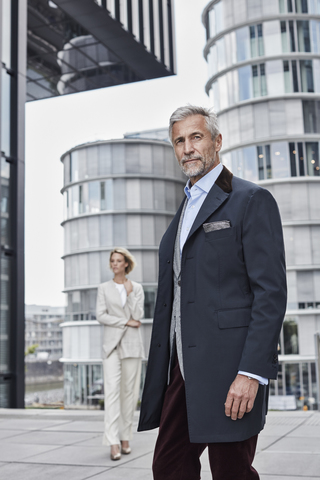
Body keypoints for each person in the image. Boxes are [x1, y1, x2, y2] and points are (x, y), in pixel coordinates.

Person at [138, 106, 287, 479]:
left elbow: (270, 293)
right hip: (182, 372)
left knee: (231, 472)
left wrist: (251, 373)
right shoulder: (184, 209)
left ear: (217, 142)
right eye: (179, 141)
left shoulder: (251, 200)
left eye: (195, 137)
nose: (187, 148)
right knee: (169, 467)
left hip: (230, 371)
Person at [96, 247, 145, 461]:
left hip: (132, 345)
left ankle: (126, 437)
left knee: (129, 394)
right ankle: (113, 441)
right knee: (112, 393)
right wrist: (124, 322)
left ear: (126, 264)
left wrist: (130, 292)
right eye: (112, 261)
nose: (115, 264)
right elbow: (101, 315)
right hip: (111, 347)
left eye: (119, 261)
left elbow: (139, 315)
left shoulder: (137, 287)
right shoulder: (103, 288)